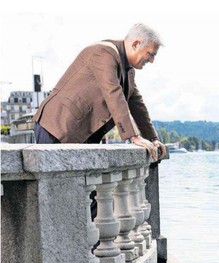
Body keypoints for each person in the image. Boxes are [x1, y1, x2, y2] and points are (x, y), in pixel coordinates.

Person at [33, 23, 166, 161]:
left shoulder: (129, 71)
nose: (151, 60)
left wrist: (152, 139)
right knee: (56, 181)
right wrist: (134, 137)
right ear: (136, 44)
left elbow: (137, 105)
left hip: (78, 132)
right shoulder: (104, 52)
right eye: (150, 54)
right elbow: (113, 93)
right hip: (57, 126)